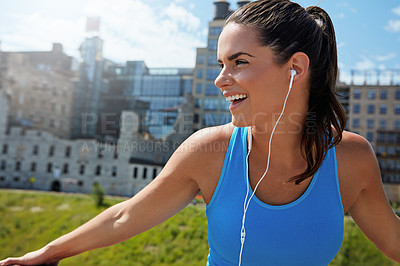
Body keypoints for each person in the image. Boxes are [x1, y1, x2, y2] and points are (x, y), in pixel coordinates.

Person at [1, 0, 400, 265]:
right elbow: (125, 216)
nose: (220, 80)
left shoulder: (351, 159)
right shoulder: (209, 151)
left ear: (295, 67)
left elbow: (393, 243)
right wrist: (49, 253)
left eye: (239, 62)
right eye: (220, 64)